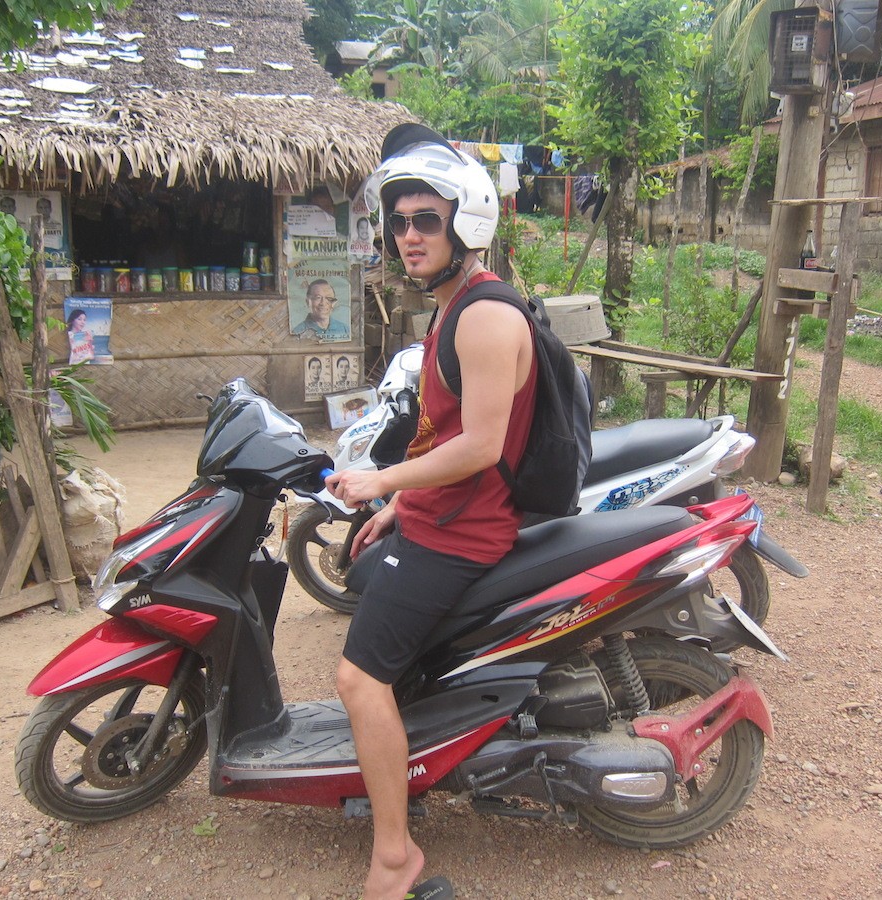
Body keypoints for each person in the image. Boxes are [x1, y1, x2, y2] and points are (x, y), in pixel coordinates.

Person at [325, 123, 535, 900]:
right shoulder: (455, 305)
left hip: (464, 534)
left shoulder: (482, 316)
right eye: (400, 222)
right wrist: (404, 497)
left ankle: (394, 857)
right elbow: (444, 435)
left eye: (426, 221)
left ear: (464, 224)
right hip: (439, 514)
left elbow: (480, 446)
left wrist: (381, 485)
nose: (408, 236)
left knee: (356, 679)